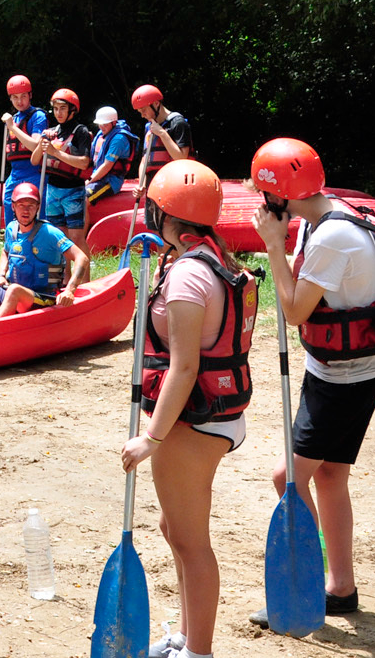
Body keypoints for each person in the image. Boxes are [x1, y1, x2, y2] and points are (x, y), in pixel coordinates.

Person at [247, 137, 375, 624]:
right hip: (344, 368)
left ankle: (312, 585)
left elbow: (295, 310)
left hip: (346, 376)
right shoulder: (325, 215)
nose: (260, 203)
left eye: (263, 192)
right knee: (331, 476)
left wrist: (273, 245)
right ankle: (341, 587)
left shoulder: (331, 235)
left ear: (281, 194)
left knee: (287, 478)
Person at [124, 159, 256, 658]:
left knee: (191, 542)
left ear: (167, 215)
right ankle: (185, 636)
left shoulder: (187, 277)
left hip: (194, 419)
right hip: (215, 413)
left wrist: (150, 438)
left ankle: (198, 651)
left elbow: (182, 368)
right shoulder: (215, 257)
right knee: (174, 529)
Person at [0, 183, 88, 319]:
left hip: (42, 297)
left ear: (37, 207)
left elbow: (81, 258)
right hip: (12, 293)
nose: (26, 210)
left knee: (14, 290)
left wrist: (70, 290)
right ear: (13, 206)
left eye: (31, 205)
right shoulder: (11, 229)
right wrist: (1, 274)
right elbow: (6, 252)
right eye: (21, 205)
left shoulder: (49, 233)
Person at [35, 88, 94, 253]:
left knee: (76, 238)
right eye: (55, 108)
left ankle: (86, 279)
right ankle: (66, 278)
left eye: (62, 108)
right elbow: (35, 160)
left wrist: (55, 153)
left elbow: (84, 163)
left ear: (72, 110)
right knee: (60, 240)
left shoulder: (80, 131)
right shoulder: (53, 132)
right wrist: (42, 143)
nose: (58, 112)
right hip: (53, 190)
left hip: (73, 190)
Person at [1, 75, 50, 244]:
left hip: (33, 172)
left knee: (34, 211)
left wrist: (12, 127)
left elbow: (35, 144)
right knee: (9, 207)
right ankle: (12, 248)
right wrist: (12, 124)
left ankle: (36, 246)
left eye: (23, 96)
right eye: (15, 97)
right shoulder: (14, 119)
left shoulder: (38, 116)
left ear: (30, 95)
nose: (19, 101)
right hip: (15, 173)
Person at [131, 84, 193, 201]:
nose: (142, 115)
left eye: (144, 110)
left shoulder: (178, 124)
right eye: (140, 112)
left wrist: (162, 133)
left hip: (174, 186)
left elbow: (181, 158)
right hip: (153, 187)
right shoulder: (149, 127)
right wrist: (142, 185)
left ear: (156, 104)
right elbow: (145, 160)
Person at [85, 105, 136, 208]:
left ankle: (80, 225)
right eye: (99, 123)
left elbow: (107, 166)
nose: (101, 126)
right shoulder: (102, 134)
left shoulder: (119, 139)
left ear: (114, 123)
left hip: (111, 181)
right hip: (98, 178)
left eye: (105, 124)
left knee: (82, 199)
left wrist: (89, 180)